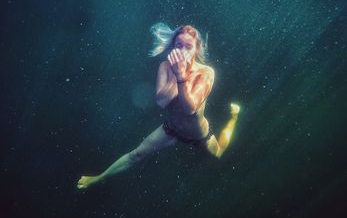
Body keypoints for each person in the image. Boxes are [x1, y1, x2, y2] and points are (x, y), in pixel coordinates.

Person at [77, 23, 240, 189]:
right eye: (179, 45)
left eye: (188, 46)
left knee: (218, 153)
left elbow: (190, 109)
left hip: (197, 134)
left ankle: (234, 117)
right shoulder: (165, 66)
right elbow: (162, 102)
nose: (183, 50)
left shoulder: (206, 72)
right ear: (173, 48)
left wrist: (182, 76)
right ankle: (99, 177)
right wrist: (177, 74)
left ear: (197, 50)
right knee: (136, 154)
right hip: (171, 128)